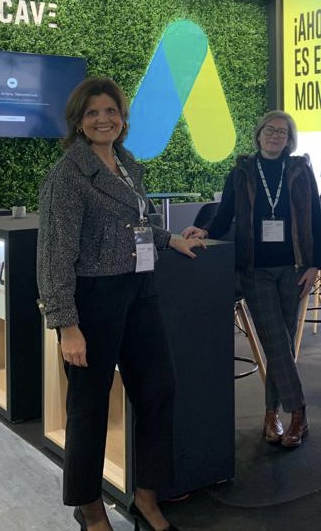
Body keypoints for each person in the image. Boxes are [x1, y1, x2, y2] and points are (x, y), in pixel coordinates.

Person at [37, 77, 203, 531]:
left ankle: (146, 496)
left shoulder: (126, 165)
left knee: (159, 389)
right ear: (78, 122)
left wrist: (170, 239)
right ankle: (89, 507)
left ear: (122, 118)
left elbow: (137, 224)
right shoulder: (68, 176)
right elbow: (54, 256)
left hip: (140, 292)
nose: (103, 119)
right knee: (89, 407)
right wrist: (66, 325)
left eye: (110, 111)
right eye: (92, 113)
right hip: (93, 300)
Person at [182, 110, 321, 449]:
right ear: (258, 134)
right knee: (275, 339)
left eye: (282, 132)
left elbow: (315, 218)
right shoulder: (242, 171)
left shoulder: (300, 170)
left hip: (294, 268)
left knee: (281, 344)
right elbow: (225, 215)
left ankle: (271, 415)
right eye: (270, 130)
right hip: (254, 268)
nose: (275, 136)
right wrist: (205, 230)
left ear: (290, 140)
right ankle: (299, 412)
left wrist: (315, 264)